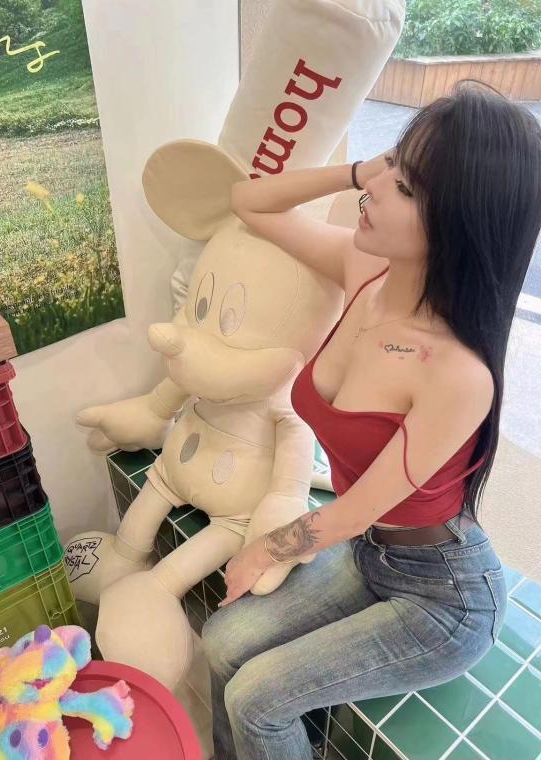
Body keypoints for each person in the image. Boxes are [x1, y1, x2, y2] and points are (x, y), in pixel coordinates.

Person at [201, 81, 541, 760]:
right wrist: (364, 168)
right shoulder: (364, 269)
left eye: (406, 188)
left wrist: (263, 549)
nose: (375, 191)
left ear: (460, 225)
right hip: (369, 555)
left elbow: (354, 512)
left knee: (256, 700)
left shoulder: (455, 371)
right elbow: (248, 201)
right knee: (219, 644)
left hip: (443, 596)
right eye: (391, 165)